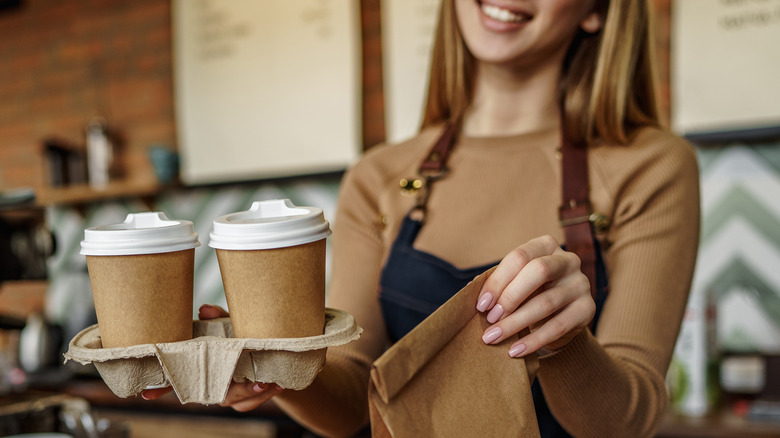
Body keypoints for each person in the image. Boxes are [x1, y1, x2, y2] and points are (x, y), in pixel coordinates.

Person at [145, 1, 700, 437]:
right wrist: (277, 372)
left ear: (596, 9)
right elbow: (353, 399)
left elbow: (629, 421)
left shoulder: (651, 165)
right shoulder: (378, 175)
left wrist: (566, 342)